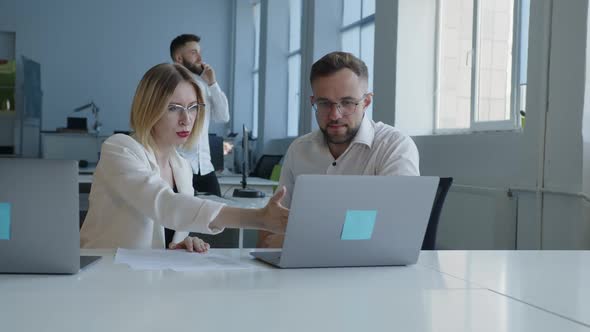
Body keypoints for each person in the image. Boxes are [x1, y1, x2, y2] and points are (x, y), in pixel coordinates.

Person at [80, 63, 288, 252]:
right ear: (149, 108)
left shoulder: (181, 166)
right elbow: (165, 204)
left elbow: (171, 222)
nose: (186, 119)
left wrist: (177, 244)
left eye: (192, 107)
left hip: (149, 281)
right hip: (105, 276)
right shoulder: (120, 148)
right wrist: (258, 218)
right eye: (173, 108)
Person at [257, 51, 419, 248]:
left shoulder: (394, 146)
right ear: (313, 102)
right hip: (305, 271)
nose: (335, 115)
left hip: (373, 271)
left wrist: (304, 237)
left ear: (366, 102)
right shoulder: (299, 150)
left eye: (347, 103)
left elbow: (397, 230)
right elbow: (271, 230)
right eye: (324, 104)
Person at [170, 34, 229, 197]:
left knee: (215, 219)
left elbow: (223, 117)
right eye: (194, 52)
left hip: (205, 167)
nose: (200, 57)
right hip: (178, 167)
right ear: (179, 58)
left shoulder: (203, 86)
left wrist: (213, 83)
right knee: (177, 220)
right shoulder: (168, 85)